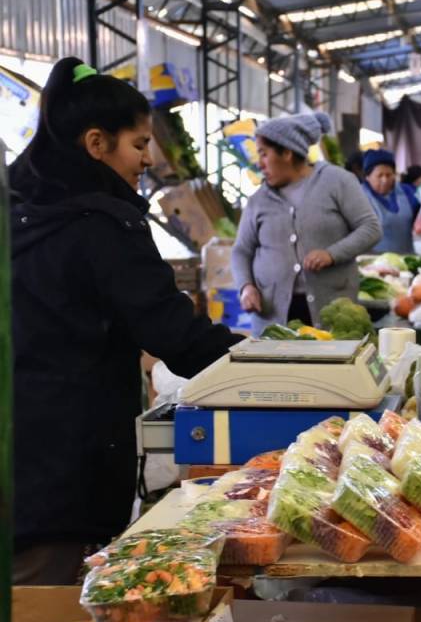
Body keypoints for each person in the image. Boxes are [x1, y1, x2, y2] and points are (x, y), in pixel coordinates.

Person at [9, 57, 241, 584]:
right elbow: (176, 336)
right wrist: (267, 361)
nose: (147, 159)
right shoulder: (103, 226)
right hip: (68, 475)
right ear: (96, 143)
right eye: (138, 144)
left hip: (19, 459)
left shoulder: (18, 214)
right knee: (52, 617)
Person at [233, 112, 381, 334]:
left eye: (264, 154)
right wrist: (246, 287)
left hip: (331, 309)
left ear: (287, 152)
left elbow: (370, 228)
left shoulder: (337, 181)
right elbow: (241, 251)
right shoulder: (259, 199)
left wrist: (332, 254)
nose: (259, 164)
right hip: (272, 315)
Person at [361, 149, 420, 254]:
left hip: (406, 257)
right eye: (379, 175)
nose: (385, 180)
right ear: (368, 177)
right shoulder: (358, 196)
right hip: (373, 260)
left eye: (389, 175)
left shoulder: (407, 191)